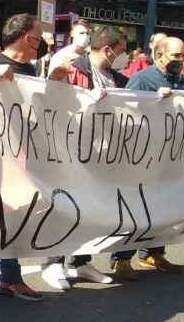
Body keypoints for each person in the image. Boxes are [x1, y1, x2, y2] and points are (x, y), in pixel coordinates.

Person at [0, 13, 68, 309]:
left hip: (19, 157)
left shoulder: (29, 68)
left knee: (12, 220)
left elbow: (34, 108)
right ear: (25, 37)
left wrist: (53, 84)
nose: (42, 44)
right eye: (38, 37)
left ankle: (9, 278)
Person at [40, 25, 127, 290]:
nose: (126, 56)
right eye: (122, 51)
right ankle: (53, 262)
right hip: (70, 149)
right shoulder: (73, 68)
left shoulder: (115, 76)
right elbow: (52, 101)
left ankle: (80, 261)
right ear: (109, 49)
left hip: (101, 152)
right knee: (64, 206)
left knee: (92, 207)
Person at [107, 36, 184, 278]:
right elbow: (123, 110)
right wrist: (154, 102)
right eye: (176, 55)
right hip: (143, 157)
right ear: (159, 55)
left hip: (171, 157)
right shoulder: (143, 79)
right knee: (137, 208)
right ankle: (121, 259)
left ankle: (154, 254)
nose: (181, 59)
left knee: (164, 207)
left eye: (183, 55)